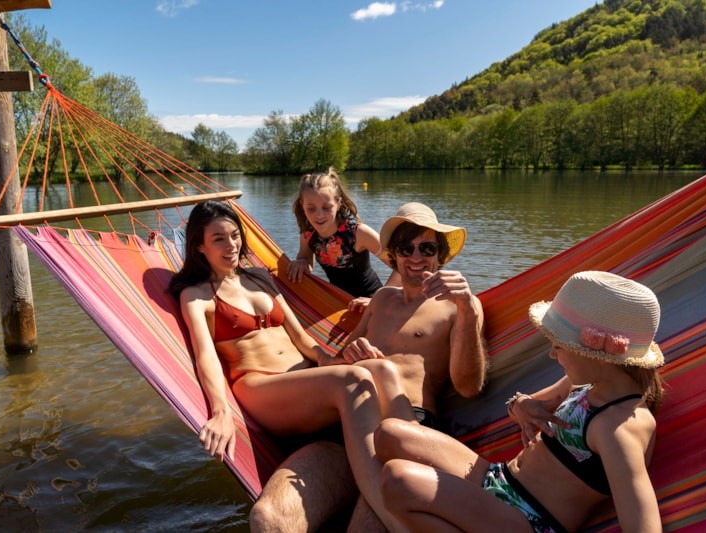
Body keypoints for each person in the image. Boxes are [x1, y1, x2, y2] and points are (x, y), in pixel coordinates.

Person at [168, 200, 416, 530]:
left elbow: (300, 337)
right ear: (199, 246)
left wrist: (331, 360)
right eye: (219, 239)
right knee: (353, 381)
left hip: (303, 377)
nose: (231, 245)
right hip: (260, 385)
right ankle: (388, 507)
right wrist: (220, 410)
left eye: (235, 236)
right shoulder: (196, 295)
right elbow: (205, 355)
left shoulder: (259, 277)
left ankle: (416, 457)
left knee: (380, 369)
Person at [250, 202, 489, 531]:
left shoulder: (459, 306)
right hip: (344, 423)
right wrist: (350, 354)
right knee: (267, 518)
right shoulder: (381, 299)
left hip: (408, 429)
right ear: (393, 255)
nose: (416, 257)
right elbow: (338, 361)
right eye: (405, 247)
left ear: (440, 255)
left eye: (427, 248)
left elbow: (468, 387)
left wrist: (468, 311)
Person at [376, 270, 664, 533]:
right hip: (500, 478)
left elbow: (643, 527)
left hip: (525, 518)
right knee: (389, 433)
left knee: (398, 481)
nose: (552, 354)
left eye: (559, 345)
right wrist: (521, 406)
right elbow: (522, 407)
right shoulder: (587, 383)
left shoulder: (619, 428)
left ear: (599, 355)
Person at [288, 167, 400, 312]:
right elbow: (306, 259)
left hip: (372, 304)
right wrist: (302, 262)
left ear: (338, 203)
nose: (319, 215)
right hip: (339, 305)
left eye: (326, 207)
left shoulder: (358, 233)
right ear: (302, 206)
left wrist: (378, 300)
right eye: (311, 209)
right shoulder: (308, 233)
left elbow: (402, 265)